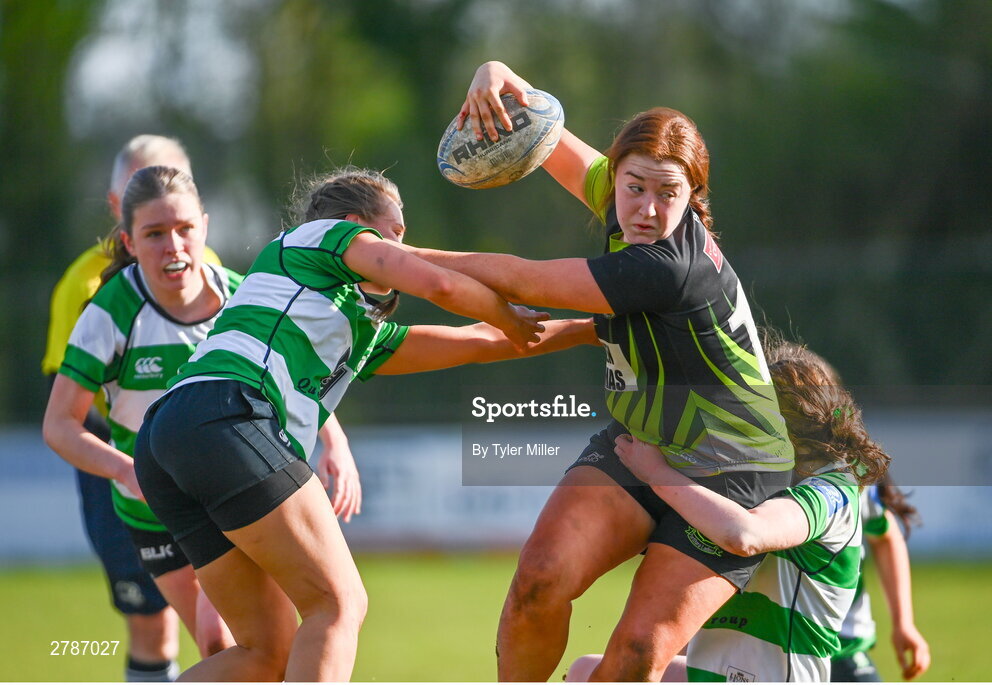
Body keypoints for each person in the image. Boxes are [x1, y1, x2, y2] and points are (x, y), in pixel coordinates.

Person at [407, 61, 796, 680]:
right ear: (615, 178)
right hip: (640, 442)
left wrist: (387, 258)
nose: (646, 208)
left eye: (668, 193)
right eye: (634, 186)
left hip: (729, 469)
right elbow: (545, 136)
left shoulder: (667, 265)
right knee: (536, 582)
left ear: (692, 199)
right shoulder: (624, 204)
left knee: (637, 652)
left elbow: (521, 278)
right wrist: (495, 75)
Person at [132, 166, 597, 681]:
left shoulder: (350, 326)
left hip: (170, 437)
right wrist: (508, 312)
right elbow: (440, 283)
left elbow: (481, 342)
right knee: (339, 603)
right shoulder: (320, 236)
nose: (402, 246)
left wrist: (592, 329)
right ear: (356, 225)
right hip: (225, 413)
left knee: (267, 653)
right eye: (394, 233)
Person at [571, 339, 892, 682]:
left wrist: (658, 475)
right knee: (587, 671)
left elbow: (745, 536)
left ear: (780, 422)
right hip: (714, 673)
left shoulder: (832, 488)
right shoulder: (758, 476)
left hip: (773, 678)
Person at [40, 135, 205, 681]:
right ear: (121, 214)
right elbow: (75, 411)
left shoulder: (219, 279)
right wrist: (133, 467)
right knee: (153, 626)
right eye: (153, 230)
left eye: (183, 225)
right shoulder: (91, 291)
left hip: (208, 478)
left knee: (234, 636)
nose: (173, 245)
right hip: (125, 475)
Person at [832, 479, 930, 681]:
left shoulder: (853, 469)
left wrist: (903, 623)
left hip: (844, 643)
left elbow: (886, 537)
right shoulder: (767, 466)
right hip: (771, 643)